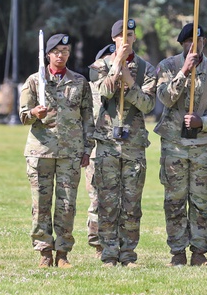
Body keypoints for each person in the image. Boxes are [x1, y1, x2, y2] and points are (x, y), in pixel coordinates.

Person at [154, 23, 207, 266]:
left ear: (204, 43)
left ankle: (199, 252)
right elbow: (165, 98)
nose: (193, 45)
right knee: (175, 200)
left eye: (197, 41)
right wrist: (184, 72)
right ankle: (177, 252)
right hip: (174, 145)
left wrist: (205, 122)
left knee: (201, 202)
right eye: (188, 41)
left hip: (203, 147)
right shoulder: (168, 67)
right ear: (182, 45)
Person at [19, 33, 94, 268]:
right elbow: (22, 115)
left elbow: (87, 117)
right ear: (48, 55)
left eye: (65, 52)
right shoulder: (35, 81)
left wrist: (86, 148)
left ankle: (62, 253)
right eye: (56, 52)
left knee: (67, 204)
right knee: (41, 203)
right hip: (41, 151)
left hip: (70, 153)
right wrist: (34, 114)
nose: (61, 56)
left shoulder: (79, 82)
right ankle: (44, 251)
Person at [88, 19, 157, 267]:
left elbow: (148, 105)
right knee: (107, 202)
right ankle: (108, 254)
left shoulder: (147, 69)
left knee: (131, 203)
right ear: (113, 38)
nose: (126, 40)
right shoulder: (98, 66)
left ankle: (128, 254)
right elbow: (102, 93)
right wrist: (116, 68)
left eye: (130, 34)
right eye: (121, 35)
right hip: (106, 142)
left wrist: (129, 81)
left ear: (135, 38)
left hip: (134, 143)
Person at [85, 42, 116, 259]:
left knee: (118, 199)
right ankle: (98, 244)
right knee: (97, 199)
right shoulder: (88, 88)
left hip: (117, 148)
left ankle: (115, 243)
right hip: (96, 152)